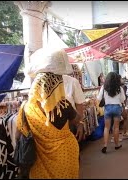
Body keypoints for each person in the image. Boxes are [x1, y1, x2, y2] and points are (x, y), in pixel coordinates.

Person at [17, 48, 82, 178]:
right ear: (57, 85)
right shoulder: (63, 106)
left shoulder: (26, 108)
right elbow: (76, 119)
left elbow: (19, 134)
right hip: (65, 156)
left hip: (38, 160)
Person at [97, 72, 125, 154]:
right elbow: (123, 99)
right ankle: (116, 145)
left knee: (106, 127)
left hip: (107, 108)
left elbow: (98, 98)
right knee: (116, 127)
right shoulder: (120, 88)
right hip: (117, 108)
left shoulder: (104, 87)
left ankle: (105, 145)